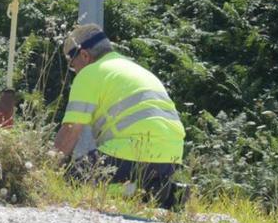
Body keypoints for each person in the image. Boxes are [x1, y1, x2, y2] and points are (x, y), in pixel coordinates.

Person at [53, 24, 185, 209]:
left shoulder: (90, 74)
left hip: (130, 154)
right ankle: (154, 191)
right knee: (112, 174)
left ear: (84, 55)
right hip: (171, 158)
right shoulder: (134, 69)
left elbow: (70, 131)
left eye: (72, 65)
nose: (74, 71)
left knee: (73, 179)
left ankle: (132, 191)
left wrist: (46, 170)